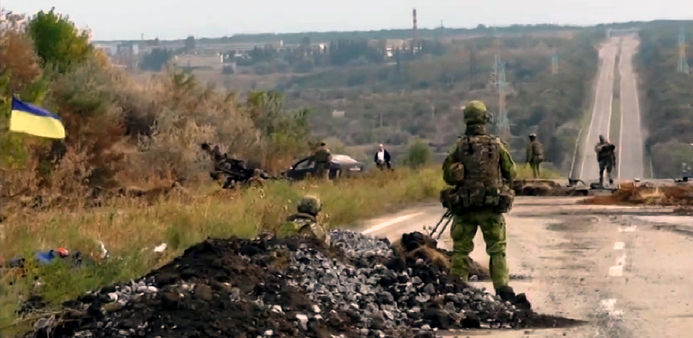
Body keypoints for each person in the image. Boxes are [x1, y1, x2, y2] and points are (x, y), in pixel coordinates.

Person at [441, 100, 527, 306]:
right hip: (491, 207)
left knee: (460, 250)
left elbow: (447, 175)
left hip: (466, 209)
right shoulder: (495, 145)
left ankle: (457, 288)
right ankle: (502, 289)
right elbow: (511, 172)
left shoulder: (459, 147)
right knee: (497, 249)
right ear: (483, 119)